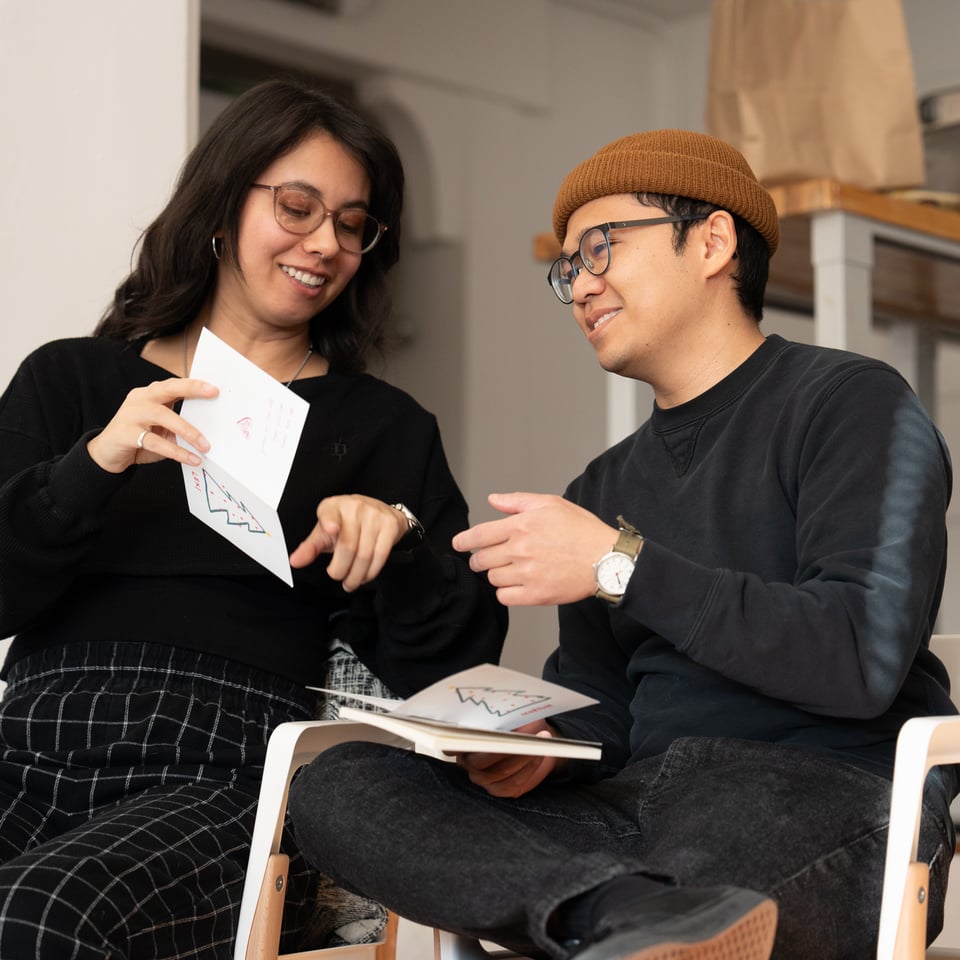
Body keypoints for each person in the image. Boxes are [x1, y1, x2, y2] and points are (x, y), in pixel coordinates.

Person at [286, 129, 960, 960]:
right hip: (639, 811)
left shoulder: (853, 405)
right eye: (567, 268)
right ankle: (626, 917)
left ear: (712, 242)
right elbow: (607, 704)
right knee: (339, 786)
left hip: (819, 791)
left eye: (600, 249)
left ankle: (627, 917)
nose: (580, 286)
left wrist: (619, 564)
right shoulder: (601, 488)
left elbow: (861, 657)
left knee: (699, 851)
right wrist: (541, 757)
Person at [0, 78, 506, 959]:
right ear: (223, 207)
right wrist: (90, 468)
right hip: (32, 735)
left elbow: (455, 670)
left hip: (223, 764)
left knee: (33, 920)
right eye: (299, 208)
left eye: (353, 225)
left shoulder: (381, 427)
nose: (326, 245)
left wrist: (399, 548)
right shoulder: (74, 379)